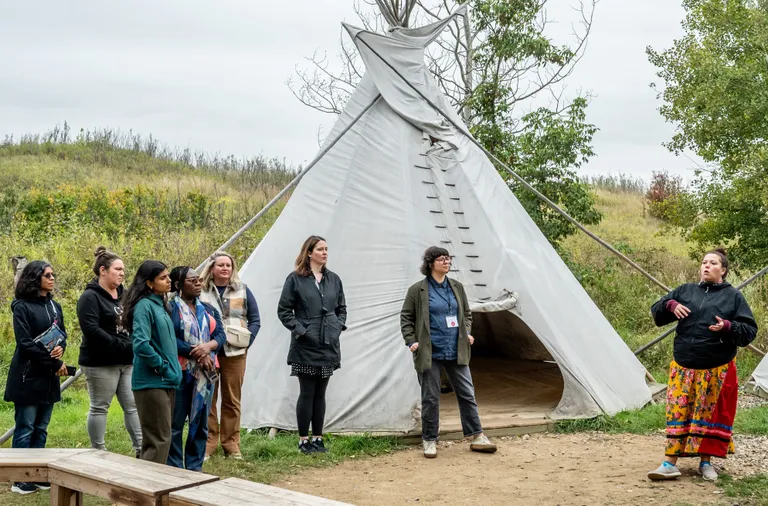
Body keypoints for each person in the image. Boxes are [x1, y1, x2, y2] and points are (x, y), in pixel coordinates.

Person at [647, 248, 757, 482]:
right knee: (678, 412)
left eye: (713, 263)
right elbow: (657, 313)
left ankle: (705, 462)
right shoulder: (686, 291)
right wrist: (670, 305)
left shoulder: (733, 297)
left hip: (715, 368)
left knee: (707, 415)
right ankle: (669, 463)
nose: (706, 265)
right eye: (704, 262)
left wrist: (727, 327)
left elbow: (749, 331)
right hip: (683, 366)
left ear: (723, 270)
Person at [400, 246, 497, 459]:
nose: (446, 262)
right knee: (431, 397)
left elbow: (467, 314)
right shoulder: (418, 290)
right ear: (430, 263)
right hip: (429, 350)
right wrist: (411, 341)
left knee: (467, 393)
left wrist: (467, 332)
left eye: (448, 258)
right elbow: (406, 317)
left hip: (456, 348)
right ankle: (430, 439)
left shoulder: (456, 287)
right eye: (442, 259)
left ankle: (477, 435)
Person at [4, 261, 70, 495]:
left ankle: (39, 475)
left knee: (41, 427)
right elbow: (25, 343)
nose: (52, 279)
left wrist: (60, 348)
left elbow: (62, 335)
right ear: (35, 278)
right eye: (47, 275)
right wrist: (54, 361)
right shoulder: (21, 307)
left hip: (48, 376)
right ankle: (20, 478)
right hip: (27, 375)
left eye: (53, 274)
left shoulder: (55, 306)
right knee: (26, 427)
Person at [277, 236, 347, 455]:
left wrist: (337, 326)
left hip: (328, 344)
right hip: (306, 345)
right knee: (307, 391)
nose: (325, 252)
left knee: (321, 393)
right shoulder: (295, 279)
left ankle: (318, 437)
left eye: (326, 249)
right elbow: (284, 310)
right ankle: (303, 439)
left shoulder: (333, 279)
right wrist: (302, 330)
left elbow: (342, 307)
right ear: (309, 253)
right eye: (320, 249)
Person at [77, 246, 142, 457]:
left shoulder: (126, 295)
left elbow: (134, 322)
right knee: (99, 406)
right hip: (100, 362)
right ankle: (98, 450)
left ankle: (141, 447)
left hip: (127, 360)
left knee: (132, 405)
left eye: (123, 269)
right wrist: (122, 345)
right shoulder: (90, 297)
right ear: (103, 270)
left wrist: (133, 344)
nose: (122, 273)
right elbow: (92, 330)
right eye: (118, 269)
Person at [199, 251, 260, 460]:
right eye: (221, 265)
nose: (225, 268)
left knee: (232, 399)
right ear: (212, 268)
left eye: (229, 265)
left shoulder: (242, 290)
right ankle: (208, 443)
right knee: (208, 397)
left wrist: (247, 342)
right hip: (210, 353)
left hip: (235, 353)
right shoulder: (202, 291)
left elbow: (255, 318)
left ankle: (231, 444)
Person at [167, 266, 226, 471]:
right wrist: (196, 353)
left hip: (206, 372)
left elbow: (220, 335)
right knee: (175, 423)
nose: (198, 283)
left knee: (200, 421)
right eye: (192, 281)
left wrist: (208, 347)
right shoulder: (170, 309)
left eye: (199, 280)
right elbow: (168, 339)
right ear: (178, 285)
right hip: (181, 372)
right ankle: (174, 468)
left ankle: (194, 468)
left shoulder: (208, 309)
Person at [123, 260, 182, 464]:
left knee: (162, 439)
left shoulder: (160, 305)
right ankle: (146, 493)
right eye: (163, 278)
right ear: (149, 283)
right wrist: (163, 368)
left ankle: (150, 491)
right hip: (151, 382)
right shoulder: (144, 307)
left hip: (166, 381)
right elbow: (141, 344)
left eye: (168, 276)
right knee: (157, 441)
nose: (169, 281)